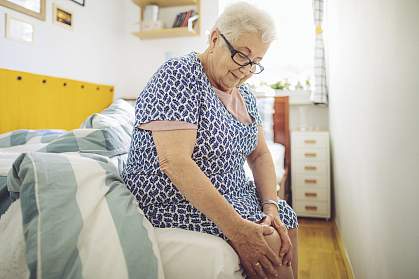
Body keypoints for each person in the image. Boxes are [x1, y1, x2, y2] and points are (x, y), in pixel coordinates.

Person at [122, 2, 299, 278]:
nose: (247, 70)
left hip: (232, 193)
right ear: (215, 38)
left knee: (284, 220)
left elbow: (261, 154)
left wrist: (270, 206)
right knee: (270, 241)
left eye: (256, 63)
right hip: (172, 199)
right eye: (242, 55)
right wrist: (238, 230)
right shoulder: (178, 75)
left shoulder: (245, 93)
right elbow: (174, 162)